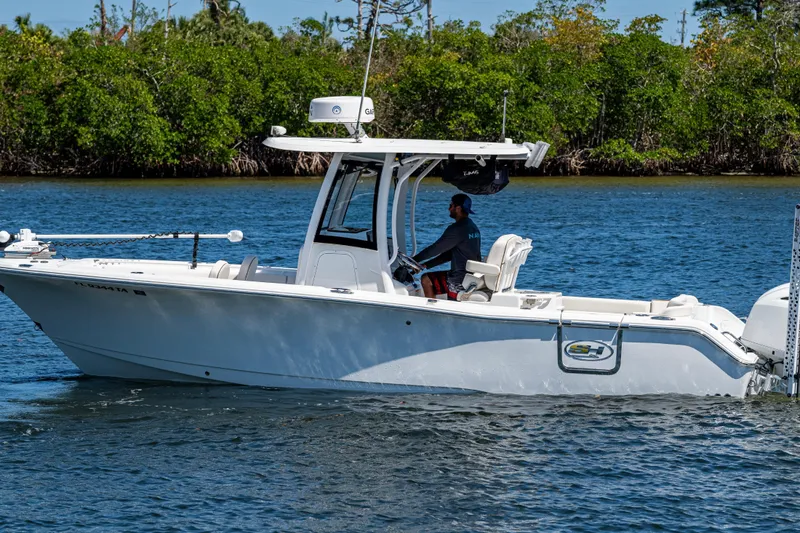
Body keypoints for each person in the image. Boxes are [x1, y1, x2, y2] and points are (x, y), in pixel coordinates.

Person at [413, 193, 481, 300]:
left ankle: (431, 309)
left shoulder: (457, 229)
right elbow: (449, 254)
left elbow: (434, 249)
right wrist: (425, 265)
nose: (449, 208)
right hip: (471, 276)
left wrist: (414, 260)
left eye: (451, 205)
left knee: (426, 280)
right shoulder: (472, 227)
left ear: (458, 208)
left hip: (459, 280)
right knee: (427, 277)